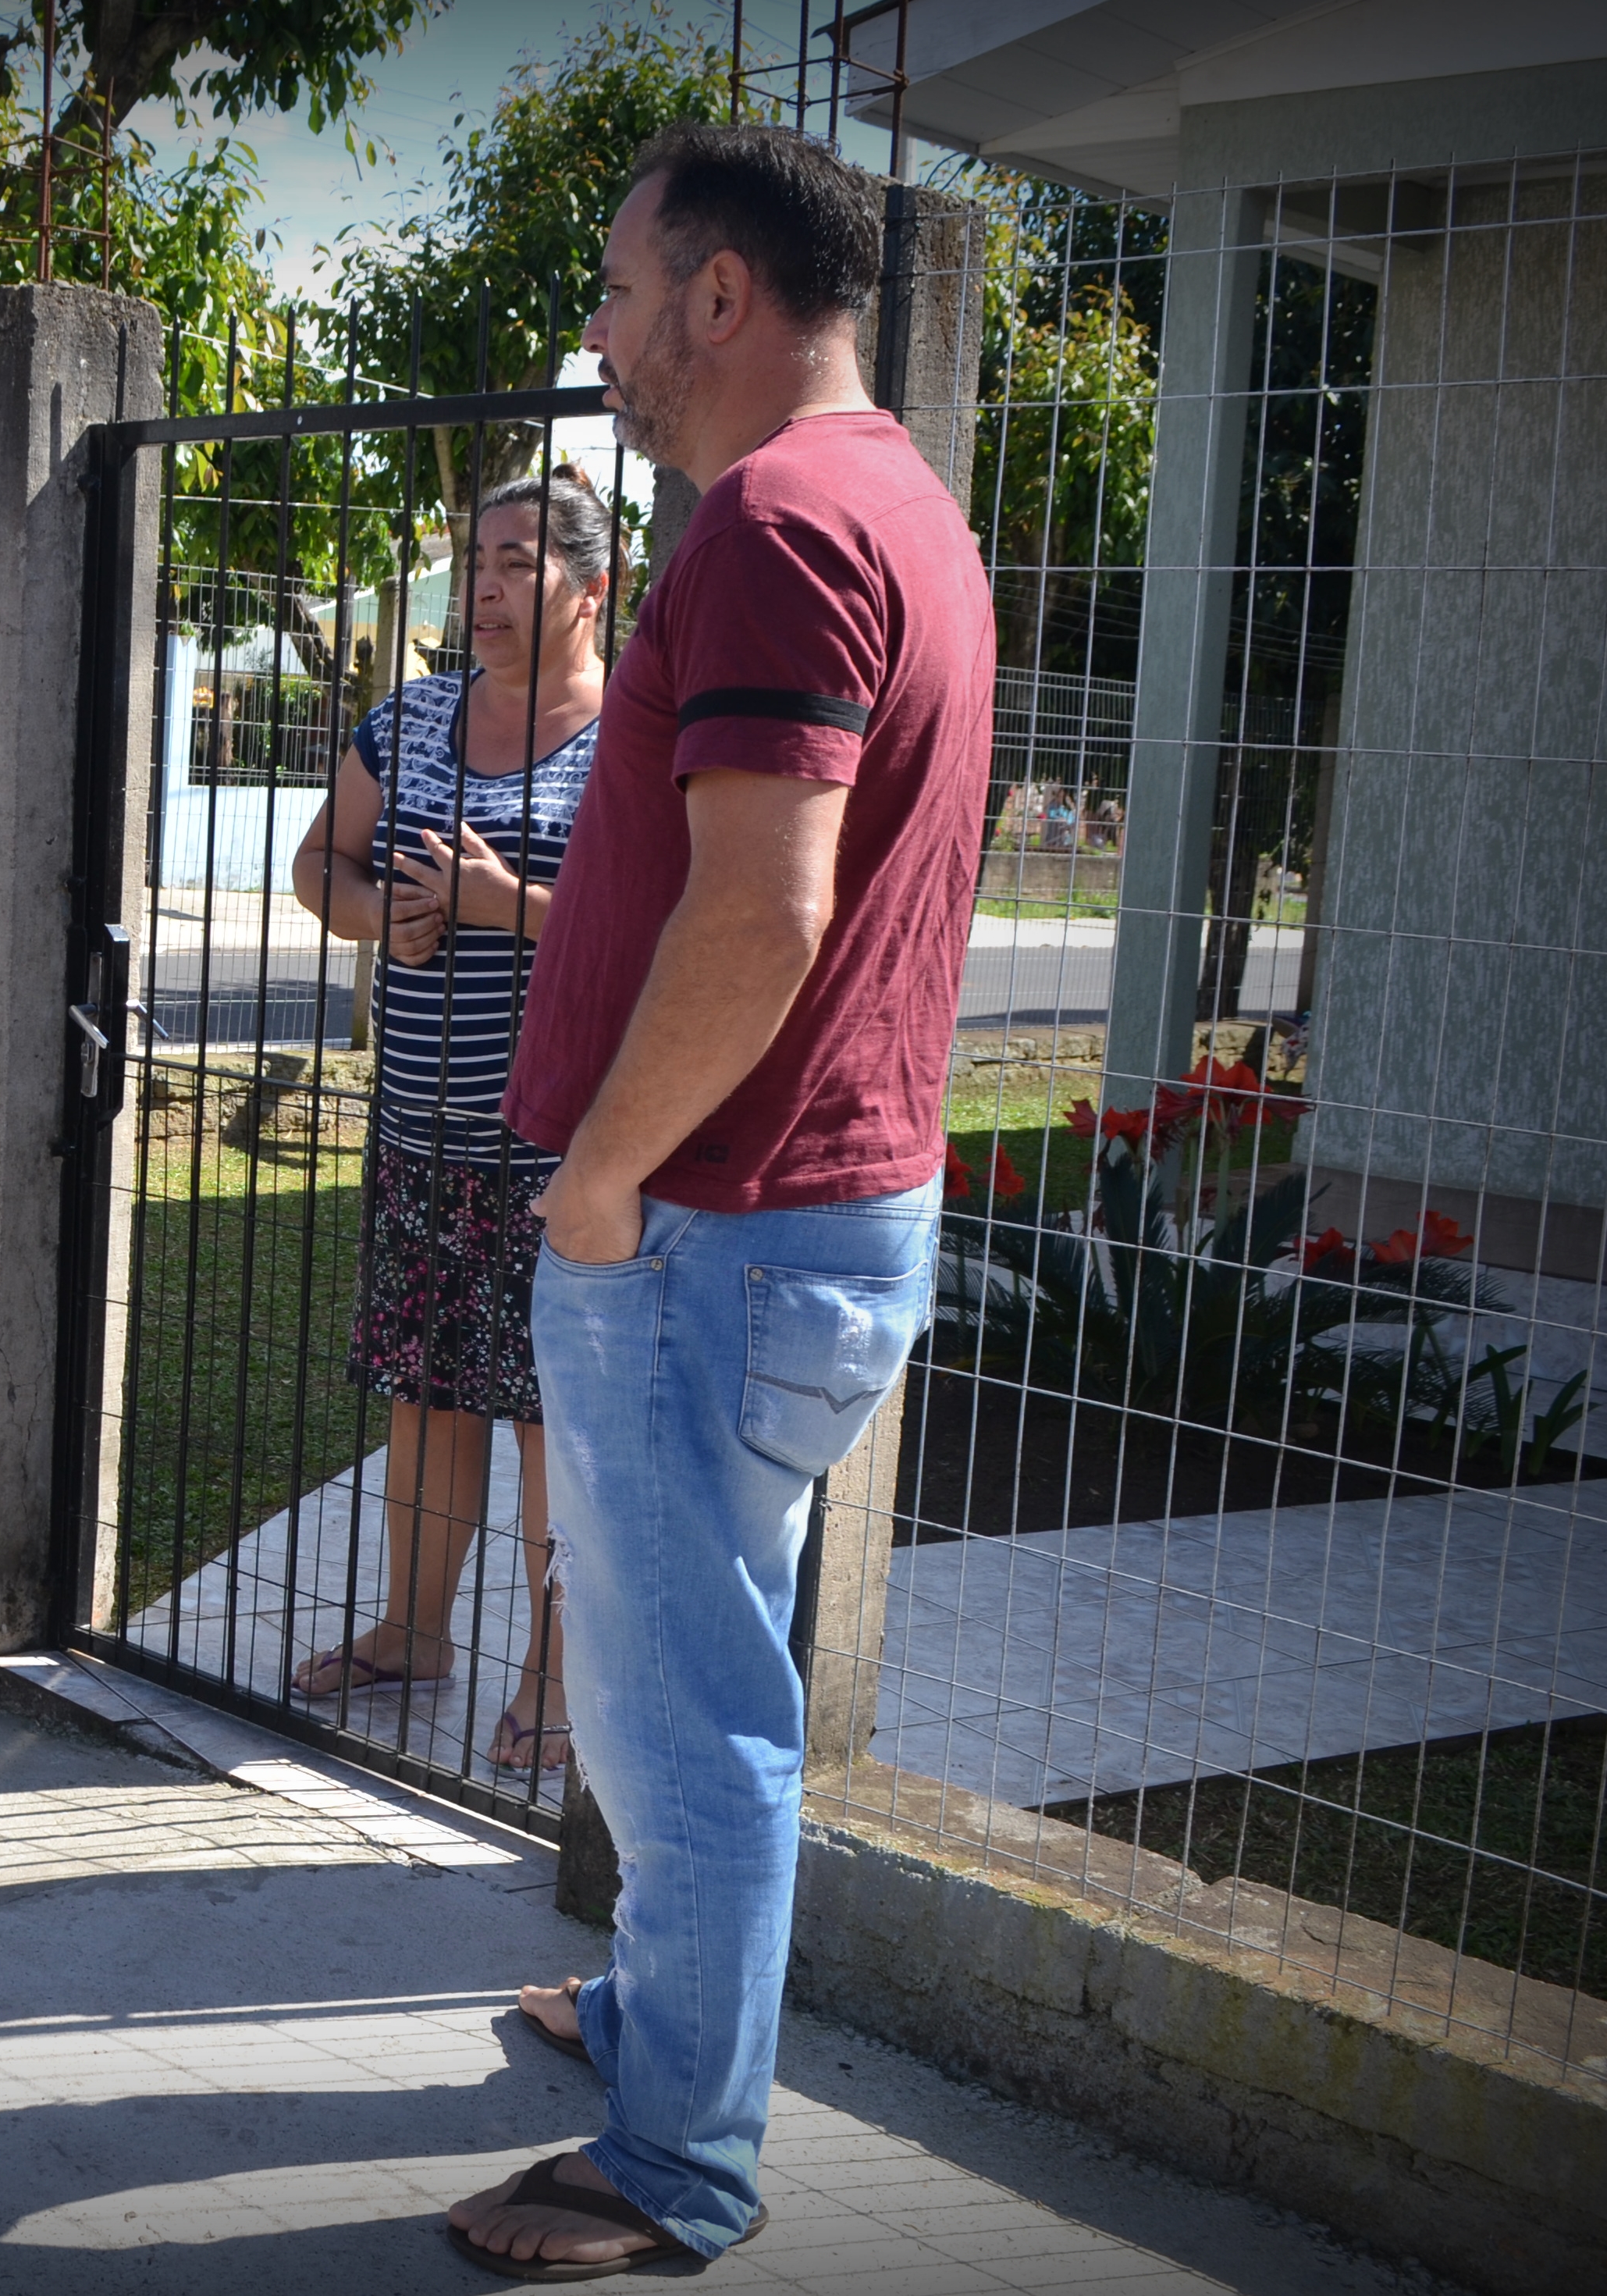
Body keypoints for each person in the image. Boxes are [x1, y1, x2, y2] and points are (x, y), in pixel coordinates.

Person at [445, 122, 993, 2276]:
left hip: (710, 1229)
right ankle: (668, 2022)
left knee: (681, 1722)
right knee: (690, 1672)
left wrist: (597, 1174)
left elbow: (763, 911)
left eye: (615, 292)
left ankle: (675, 2159)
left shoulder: (774, 521)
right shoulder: (899, 502)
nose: (599, 340)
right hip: (791, 1220)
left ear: (723, 296)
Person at [285, 471, 613, 1778]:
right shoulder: (410, 721)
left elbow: (655, 928)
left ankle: (553, 1667)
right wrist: (386, 920)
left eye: (519, 562)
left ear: (595, 590)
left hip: (555, 1146)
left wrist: (504, 904)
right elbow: (322, 862)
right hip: (419, 1125)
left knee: (548, 1419)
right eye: (478, 560)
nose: (483, 587)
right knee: (426, 1394)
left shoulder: (630, 739)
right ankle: (413, 1630)